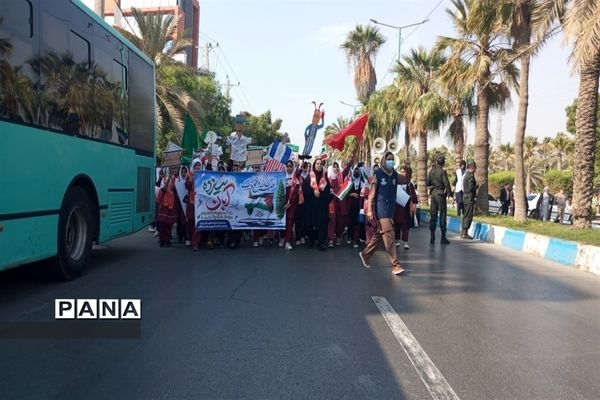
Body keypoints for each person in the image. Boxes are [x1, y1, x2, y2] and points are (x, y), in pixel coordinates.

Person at [359, 152, 405, 276]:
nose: (391, 161)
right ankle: (395, 265)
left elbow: (406, 179)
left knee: (381, 234)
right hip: (381, 209)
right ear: (384, 160)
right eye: (388, 159)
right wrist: (369, 209)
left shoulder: (395, 174)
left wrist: (408, 168)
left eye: (392, 159)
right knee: (389, 235)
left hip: (391, 209)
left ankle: (365, 254)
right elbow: (372, 194)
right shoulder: (378, 174)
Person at [302, 158, 331, 250]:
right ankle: (310, 241)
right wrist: (313, 192)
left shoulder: (325, 178)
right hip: (311, 205)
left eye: (320, 164)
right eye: (317, 163)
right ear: (314, 165)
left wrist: (321, 195)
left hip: (321, 206)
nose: (319, 165)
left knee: (321, 224)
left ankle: (321, 242)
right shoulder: (309, 177)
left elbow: (328, 192)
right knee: (310, 223)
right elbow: (305, 189)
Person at [427, 154, 452, 245]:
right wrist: (449, 192)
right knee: (442, 215)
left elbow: (427, 183)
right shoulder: (442, 172)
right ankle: (443, 237)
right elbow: (446, 183)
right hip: (440, 194)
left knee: (433, 214)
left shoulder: (431, 171)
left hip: (433, 194)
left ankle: (432, 237)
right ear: (443, 162)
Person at [327, 161, 351, 247]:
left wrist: (349, 162)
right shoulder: (328, 179)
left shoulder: (341, 177)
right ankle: (330, 239)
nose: (336, 168)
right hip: (332, 203)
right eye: (334, 167)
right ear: (332, 168)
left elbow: (346, 171)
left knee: (340, 221)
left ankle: (338, 237)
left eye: (337, 167)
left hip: (340, 203)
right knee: (332, 220)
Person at [394, 166, 418, 249]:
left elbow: (413, 195)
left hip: (405, 207)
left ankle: (405, 242)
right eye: (401, 172)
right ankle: (396, 240)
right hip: (397, 206)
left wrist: (414, 204)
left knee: (405, 224)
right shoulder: (396, 182)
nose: (402, 173)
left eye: (404, 172)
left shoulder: (409, 183)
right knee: (397, 224)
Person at [346, 165, 366, 248]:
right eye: (355, 171)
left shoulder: (362, 183)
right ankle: (349, 236)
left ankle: (355, 239)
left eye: (358, 171)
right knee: (350, 222)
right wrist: (352, 194)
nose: (356, 173)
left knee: (357, 223)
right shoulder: (350, 182)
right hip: (351, 206)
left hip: (359, 206)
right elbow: (345, 193)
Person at [157, 174, 179, 247]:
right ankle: (162, 240)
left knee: (169, 225)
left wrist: (172, 180)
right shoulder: (164, 178)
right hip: (163, 205)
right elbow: (162, 189)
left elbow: (176, 190)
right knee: (162, 224)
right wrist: (168, 180)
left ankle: (168, 240)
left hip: (172, 205)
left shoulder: (176, 179)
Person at [185, 159, 203, 251]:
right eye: (196, 165)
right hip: (191, 202)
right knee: (190, 220)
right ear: (193, 166)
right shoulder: (189, 175)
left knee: (197, 222)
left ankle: (195, 243)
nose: (197, 167)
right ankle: (188, 238)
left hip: (200, 203)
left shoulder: (203, 175)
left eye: (199, 165)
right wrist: (191, 180)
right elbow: (187, 186)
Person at [461, 161, 477, 239]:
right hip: (469, 197)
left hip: (465, 197)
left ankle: (463, 232)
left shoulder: (466, 175)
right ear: (472, 167)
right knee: (468, 215)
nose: (476, 169)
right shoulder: (470, 176)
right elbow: (470, 188)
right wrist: (476, 187)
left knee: (465, 214)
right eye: (475, 167)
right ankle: (465, 232)